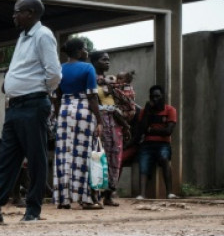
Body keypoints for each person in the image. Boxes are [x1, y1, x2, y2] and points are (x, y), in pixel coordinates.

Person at [0, 0, 62, 225]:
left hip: (33, 105)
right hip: (15, 107)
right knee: (6, 159)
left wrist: (37, 91)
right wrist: (10, 84)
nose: (14, 16)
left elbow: (55, 74)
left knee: (35, 158)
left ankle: (33, 210)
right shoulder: (23, 36)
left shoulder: (43, 35)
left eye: (17, 12)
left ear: (30, 13)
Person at [53, 38, 103, 210]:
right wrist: (100, 120)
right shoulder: (88, 68)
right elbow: (92, 97)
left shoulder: (59, 69)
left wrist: (58, 114)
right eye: (85, 49)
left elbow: (56, 96)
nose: (87, 52)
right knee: (84, 155)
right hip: (84, 111)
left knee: (64, 154)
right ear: (80, 51)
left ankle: (63, 199)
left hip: (65, 111)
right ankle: (86, 199)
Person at [90, 52, 132, 207]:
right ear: (94, 61)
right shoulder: (91, 79)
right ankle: (96, 194)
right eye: (103, 60)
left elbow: (121, 101)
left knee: (115, 156)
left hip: (114, 121)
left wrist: (125, 124)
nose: (107, 62)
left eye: (108, 60)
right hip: (99, 120)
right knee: (99, 156)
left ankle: (109, 194)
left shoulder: (112, 82)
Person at [134, 85, 178, 199]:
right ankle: (142, 194)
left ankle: (169, 193)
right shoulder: (145, 111)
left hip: (163, 144)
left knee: (164, 158)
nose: (154, 99)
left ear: (163, 97)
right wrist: (147, 112)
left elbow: (168, 131)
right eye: (152, 97)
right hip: (147, 144)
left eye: (157, 96)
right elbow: (142, 129)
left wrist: (151, 130)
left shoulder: (170, 110)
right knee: (143, 162)